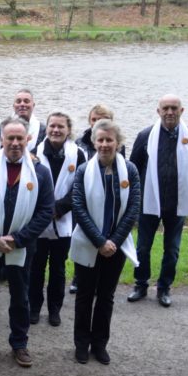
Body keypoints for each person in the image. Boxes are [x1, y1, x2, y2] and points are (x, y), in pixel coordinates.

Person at [0, 117, 54, 368]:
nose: (15, 143)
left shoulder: (40, 172)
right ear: (1, 139)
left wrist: (18, 239)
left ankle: (19, 343)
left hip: (22, 248)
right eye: (10, 138)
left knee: (20, 297)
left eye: (19, 138)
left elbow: (46, 211)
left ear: (28, 139)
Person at [71, 119, 141, 364]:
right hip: (88, 242)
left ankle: (99, 344)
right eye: (100, 140)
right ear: (94, 142)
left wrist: (113, 241)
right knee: (84, 295)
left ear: (118, 143)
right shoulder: (83, 171)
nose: (104, 144)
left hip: (116, 245)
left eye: (109, 140)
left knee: (106, 296)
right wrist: (100, 241)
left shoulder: (130, 170)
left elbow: (133, 208)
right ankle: (81, 343)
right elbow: (78, 207)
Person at [128, 95, 188, 307]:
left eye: (174, 108)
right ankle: (140, 284)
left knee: (172, 249)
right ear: (158, 111)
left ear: (182, 110)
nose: (170, 112)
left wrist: (184, 186)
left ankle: (164, 288)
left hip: (177, 203)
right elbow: (134, 167)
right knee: (143, 247)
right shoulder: (145, 136)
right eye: (165, 108)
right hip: (148, 202)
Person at [29, 112, 85, 327]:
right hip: (38, 221)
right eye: (52, 126)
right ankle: (34, 307)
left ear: (68, 130)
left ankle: (54, 309)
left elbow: (80, 186)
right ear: (47, 129)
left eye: (61, 126)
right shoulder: (34, 153)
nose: (56, 130)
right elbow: (29, 185)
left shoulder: (78, 154)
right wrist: (45, 210)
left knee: (58, 269)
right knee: (36, 267)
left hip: (64, 219)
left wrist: (59, 208)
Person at [69, 104, 122, 294]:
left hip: (108, 202)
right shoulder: (79, 143)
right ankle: (79, 277)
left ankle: (103, 276)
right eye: (94, 119)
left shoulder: (120, 152)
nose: (98, 122)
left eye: (103, 119)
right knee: (84, 239)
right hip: (85, 200)